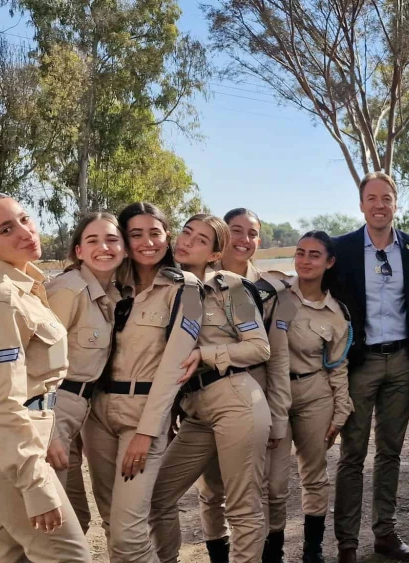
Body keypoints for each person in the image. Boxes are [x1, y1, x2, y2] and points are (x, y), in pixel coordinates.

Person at [0, 192, 92, 562]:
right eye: (6, 229)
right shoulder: (1, 299)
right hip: (4, 455)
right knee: (70, 557)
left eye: (24, 219)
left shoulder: (21, 284)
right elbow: (6, 401)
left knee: (11, 557)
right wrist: (33, 483)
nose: (25, 232)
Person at [82, 202, 204, 563]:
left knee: (129, 532)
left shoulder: (189, 290)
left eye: (155, 232)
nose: (147, 242)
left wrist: (148, 431)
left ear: (168, 236)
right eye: (136, 234)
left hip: (143, 414)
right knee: (110, 521)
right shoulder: (109, 284)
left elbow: (173, 368)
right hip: (97, 412)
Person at [150, 214, 273, 563]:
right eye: (187, 232)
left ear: (215, 255)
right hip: (195, 411)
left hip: (235, 400)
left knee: (242, 508)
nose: (188, 241)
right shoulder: (165, 286)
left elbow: (260, 347)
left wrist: (206, 353)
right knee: (158, 497)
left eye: (201, 240)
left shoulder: (231, 288)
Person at [192, 208, 293, 563]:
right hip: (204, 400)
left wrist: (279, 416)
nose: (244, 240)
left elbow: (277, 357)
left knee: (265, 490)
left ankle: (270, 556)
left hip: (255, 402)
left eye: (252, 234)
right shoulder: (193, 283)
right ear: (222, 238)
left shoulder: (268, 289)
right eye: (236, 231)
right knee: (211, 490)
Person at [330, 172, 409, 563]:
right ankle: (347, 543)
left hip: (401, 361)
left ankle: (385, 533)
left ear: (396, 203)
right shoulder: (343, 248)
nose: (379, 205)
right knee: (352, 454)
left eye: (387, 198)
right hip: (360, 364)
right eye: (372, 198)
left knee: (391, 452)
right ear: (361, 204)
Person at [45, 212, 125, 535]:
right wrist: (48, 432)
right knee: (56, 525)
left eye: (111, 240)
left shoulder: (114, 296)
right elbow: (29, 365)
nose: (103, 247)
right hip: (55, 411)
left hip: (83, 411)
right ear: (78, 251)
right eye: (92, 240)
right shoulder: (68, 290)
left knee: (75, 517)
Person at [279, 231, 355, 563]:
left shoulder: (336, 313)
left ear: (329, 262)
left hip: (314, 395)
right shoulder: (277, 295)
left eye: (314, 255)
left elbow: (338, 367)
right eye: (300, 253)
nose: (305, 260)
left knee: (314, 476)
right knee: (273, 480)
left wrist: (341, 411)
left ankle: (313, 551)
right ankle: (272, 552)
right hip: (276, 395)